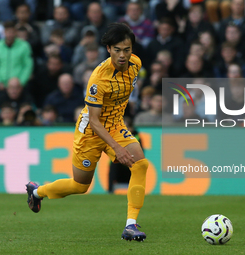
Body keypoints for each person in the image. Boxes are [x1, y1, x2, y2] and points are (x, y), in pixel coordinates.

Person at [25, 23, 148, 242]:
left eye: (127, 50)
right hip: (90, 131)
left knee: (140, 164)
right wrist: (117, 149)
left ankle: (131, 225)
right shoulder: (98, 79)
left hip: (115, 125)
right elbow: (94, 121)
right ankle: (37, 192)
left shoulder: (135, 64)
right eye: (117, 49)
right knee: (80, 186)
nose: (123, 55)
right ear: (108, 49)